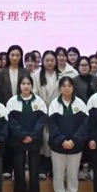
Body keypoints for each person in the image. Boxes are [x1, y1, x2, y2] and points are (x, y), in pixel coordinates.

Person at [7, 75, 47, 192]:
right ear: (19, 86)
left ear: (32, 86)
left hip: (34, 142)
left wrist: (32, 136)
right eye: (23, 83)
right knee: (19, 172)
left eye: (28, 83)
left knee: (34, 172)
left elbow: (42, 121)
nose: (26, 86)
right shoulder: (12, 102)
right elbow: (11, 121)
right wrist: (23, 135)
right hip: (18, 141)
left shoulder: (39, 102)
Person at [47, 76, 88, 192]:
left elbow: (84, 125)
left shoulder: (80, 104)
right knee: (58, 174)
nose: (66, 88)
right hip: (58, 146)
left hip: (75, 146)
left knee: (73, 174)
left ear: (73, 88)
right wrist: (62, 140)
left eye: (69, 86)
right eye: (64, 86)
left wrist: (74, 140)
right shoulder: (54, 104)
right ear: (60, 88)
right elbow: (52, 126)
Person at [0, 45, 30, 177]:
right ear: (8, 56)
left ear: (21, 57)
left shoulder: (25, 72)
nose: (15, 58)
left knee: (19, 140)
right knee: (7, 138)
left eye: (17, 55)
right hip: (6, 109)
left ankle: (19, 169)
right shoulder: (1, 73)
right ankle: (7, 168)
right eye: (12, 55)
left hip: (21, 109)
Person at [34, 51, 60, 179]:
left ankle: (53, 168)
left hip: (57, 111)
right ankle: (43, 168)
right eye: (47, 60)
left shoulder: (61, 75)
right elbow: (34, 94)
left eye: (52, 60)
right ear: (42, 61)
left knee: (54, 138)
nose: (49, 63)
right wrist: (42, 107)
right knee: (43, 140)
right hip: (41, 110)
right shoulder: (36, 75)